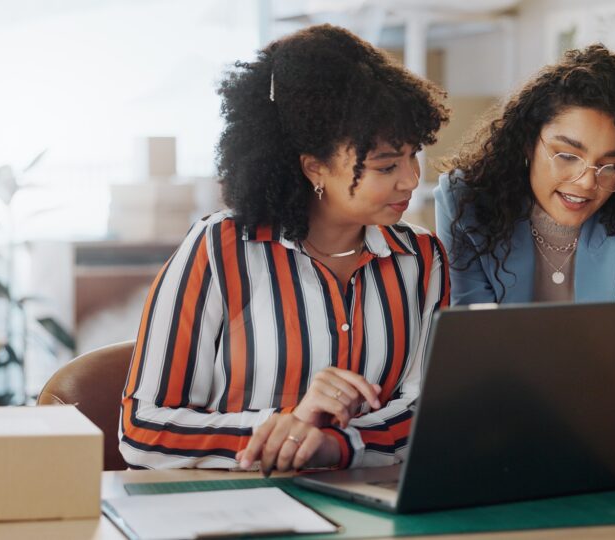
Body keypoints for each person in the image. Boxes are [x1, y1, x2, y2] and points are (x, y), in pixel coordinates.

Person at [120, 24, 450, 472]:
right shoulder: (221, 249)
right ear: (314, 167)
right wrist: (286, 429)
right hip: (238, 508)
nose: (411, 179)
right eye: (386, 165)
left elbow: (427, 411)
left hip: (371, 506)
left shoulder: (423, 259)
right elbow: (143, 429)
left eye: (413, 156)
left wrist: (337, 445)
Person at [435, 44, 615, 309]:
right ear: (527, 142)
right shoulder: (465, 201)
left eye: (610, 166)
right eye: (568, 156)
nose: (587, 182)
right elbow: (476, 334)